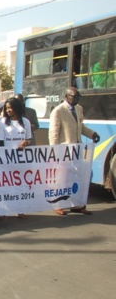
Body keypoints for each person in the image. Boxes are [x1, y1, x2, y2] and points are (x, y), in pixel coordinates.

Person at [49, 87, 100, 216]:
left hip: (78, 150)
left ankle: (77, 205)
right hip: (64, 151)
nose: (76, 99)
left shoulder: (79, 109)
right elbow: (53, 134)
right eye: (74, 97)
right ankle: (58, 205)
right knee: (62, 179)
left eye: (78, 97)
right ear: (66, 96)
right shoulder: (58, 111)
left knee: (79, 178)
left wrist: (92, 134)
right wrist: (55, 153)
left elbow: (80, 127)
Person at [0, 97, 33, 220]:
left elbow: (29, 138)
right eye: (6, 108)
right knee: (6, 185)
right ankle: (3, 211)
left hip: (21, 159)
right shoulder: (3, 122)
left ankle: (20, 210)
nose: (8, 110)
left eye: (10, 108)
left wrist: (25, 142)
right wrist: (2, 158)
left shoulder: (26, 122)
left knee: (20, 185)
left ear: (17, 108)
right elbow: (0, 142)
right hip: (7, 159)